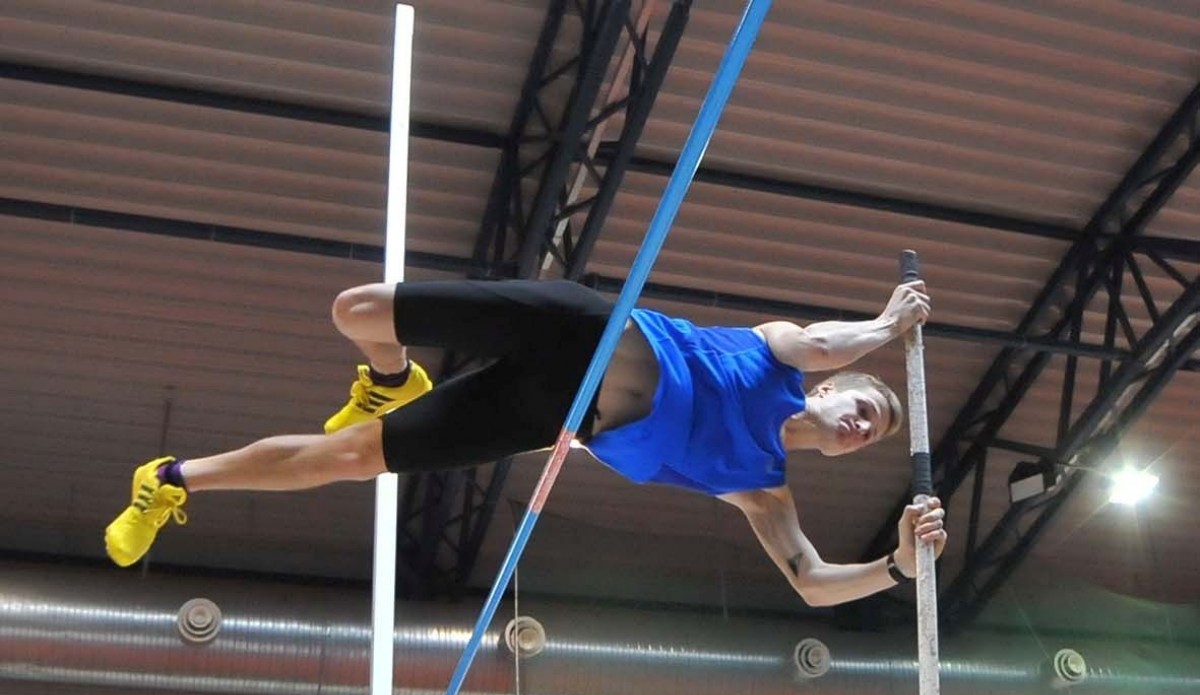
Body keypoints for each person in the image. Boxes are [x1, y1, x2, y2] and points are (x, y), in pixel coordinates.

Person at [104, 278, 946, 606]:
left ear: (847, 454)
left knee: (352, 459)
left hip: (551, 414)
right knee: (355, 309)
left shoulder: (760, 485)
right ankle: (390, 377)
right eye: (864, 407)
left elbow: (810, 582)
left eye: (871, 433)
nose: (861, 424)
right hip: (578, 329)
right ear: (831, 390)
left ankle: (174, 477)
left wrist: (898, 565)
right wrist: (886, 326)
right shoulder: (783, 353)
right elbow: (828, 342)